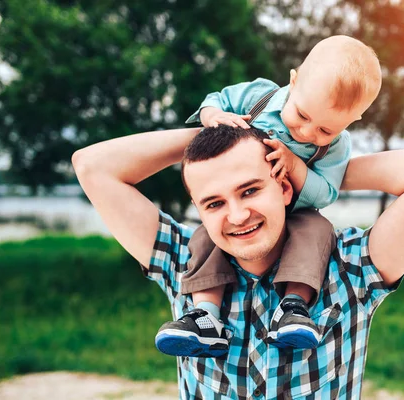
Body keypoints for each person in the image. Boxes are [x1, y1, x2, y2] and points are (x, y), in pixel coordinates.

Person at [72, 124, 404, 399]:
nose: (237, 215)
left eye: (250, 190)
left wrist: (312, 173)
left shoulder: (350, 268)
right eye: (214, 202)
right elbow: (92, 166)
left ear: (281, 186)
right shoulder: (182, 263)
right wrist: (214, 135)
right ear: (200, 209)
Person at [155, 35, 383, 357]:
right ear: (293, 80)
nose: (306, 133)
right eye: (302, 116)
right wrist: (213, 119)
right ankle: (205, 315)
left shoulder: (336, 147)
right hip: (244, 199)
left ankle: (293, 306)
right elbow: (214, 100)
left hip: (297, 210)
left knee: (317, 232)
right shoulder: (259, 95)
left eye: (325, 130)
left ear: (353, 121)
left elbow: (327, 192)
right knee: (206, 238)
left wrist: (296, 167)